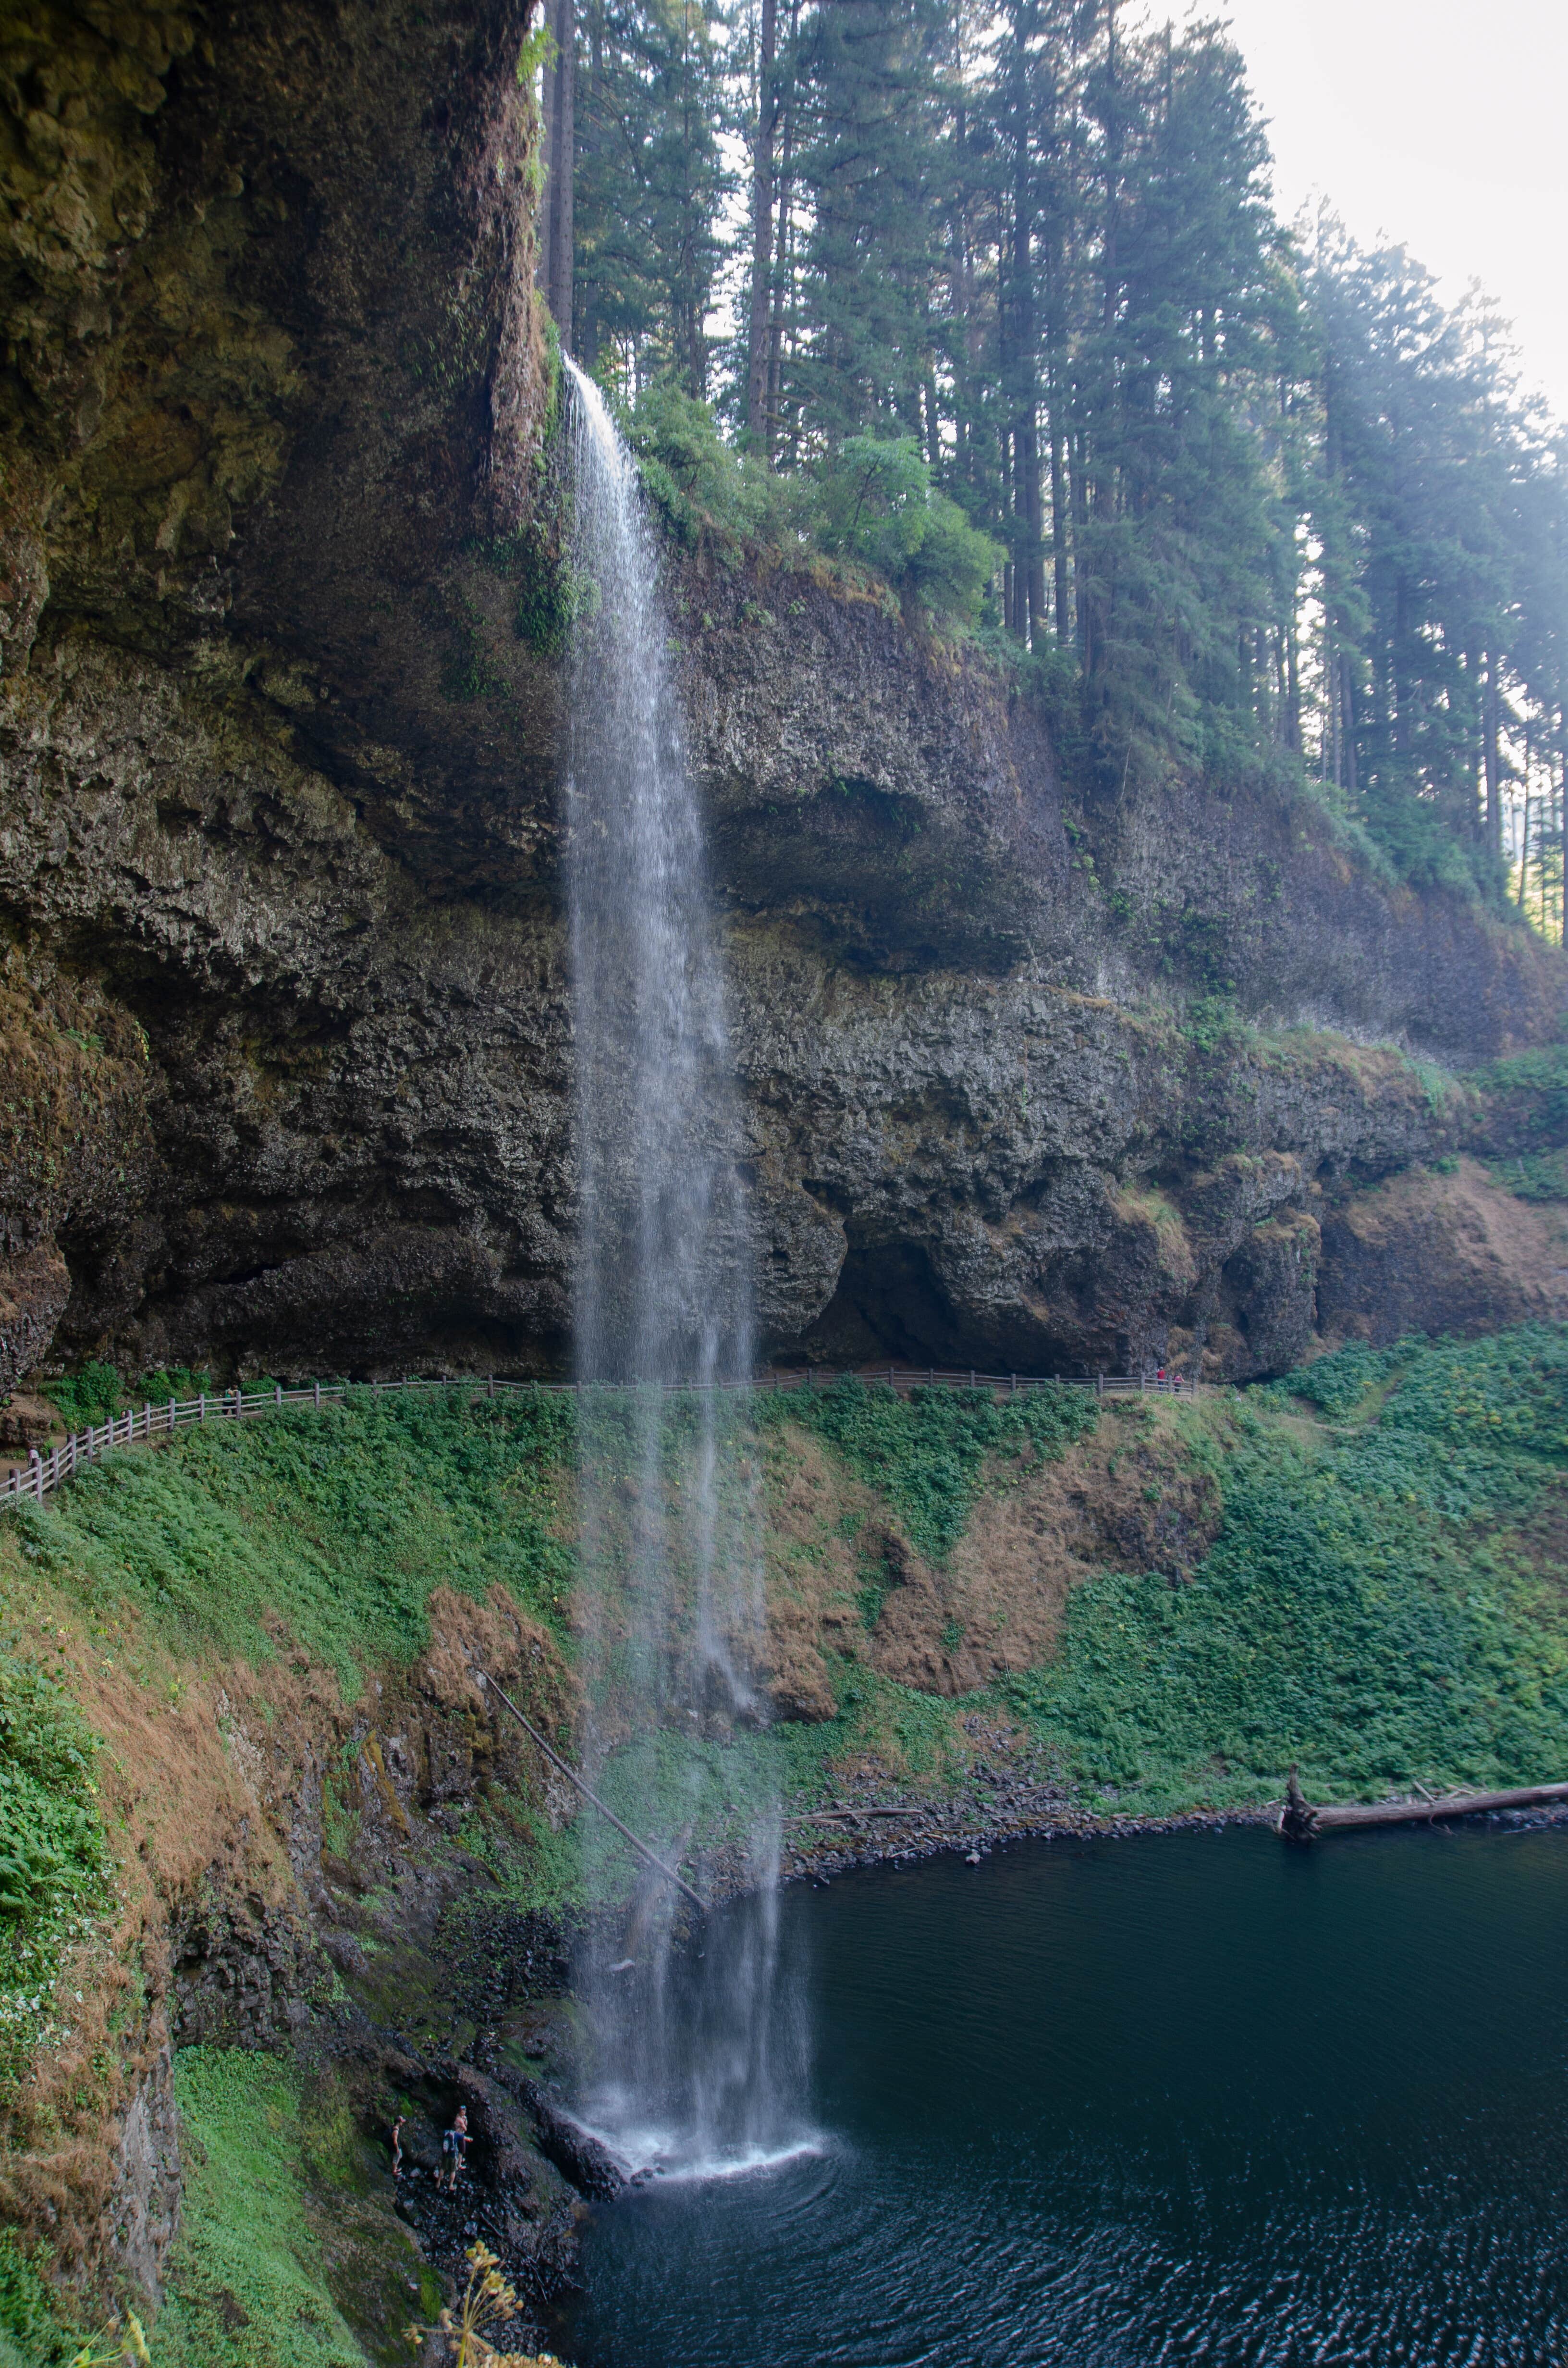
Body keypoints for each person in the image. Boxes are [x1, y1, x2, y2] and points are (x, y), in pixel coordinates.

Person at [442, 2106, 470, 2192]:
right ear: (460, 2111)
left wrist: (465, 2121)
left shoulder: (463, 2118)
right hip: (458, 2135)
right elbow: (465, 2128)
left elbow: (466, 2126)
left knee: (461, 2149)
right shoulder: (459, 2119)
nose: (464, 2112)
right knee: (461, 2149)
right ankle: (459, 2164)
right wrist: (464, 2123)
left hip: (458, 2135)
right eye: (463, 2111)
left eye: (465, 2111)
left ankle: (459, 2161)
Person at [391, 2113, 405, 2183]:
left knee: (400, 2156)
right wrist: (397, 2149)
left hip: (397, 2146)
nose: (402, 2123)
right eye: (402, 2122)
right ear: (399, 2123)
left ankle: (396, 2168)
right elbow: (395, 2141)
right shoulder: (396, 2131)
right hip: (395, 2147)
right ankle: (394, 2171)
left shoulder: (395, 2128)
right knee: (396, 2158)